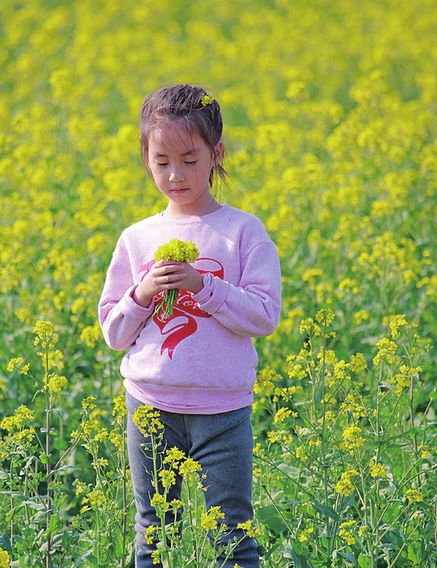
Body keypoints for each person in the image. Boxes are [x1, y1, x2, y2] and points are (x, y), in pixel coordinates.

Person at [98, 84, 282, 567]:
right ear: (146, 158)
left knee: (233, 534)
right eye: (161, 162)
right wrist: (142, 294)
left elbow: (264, 316)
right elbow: (115, 334)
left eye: (190, 159)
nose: (175, 174)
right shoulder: (137, 239)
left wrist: (204, 286)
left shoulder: (243, 232)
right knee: (154, 534)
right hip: (151, 407)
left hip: (223, 412)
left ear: (216, 153)